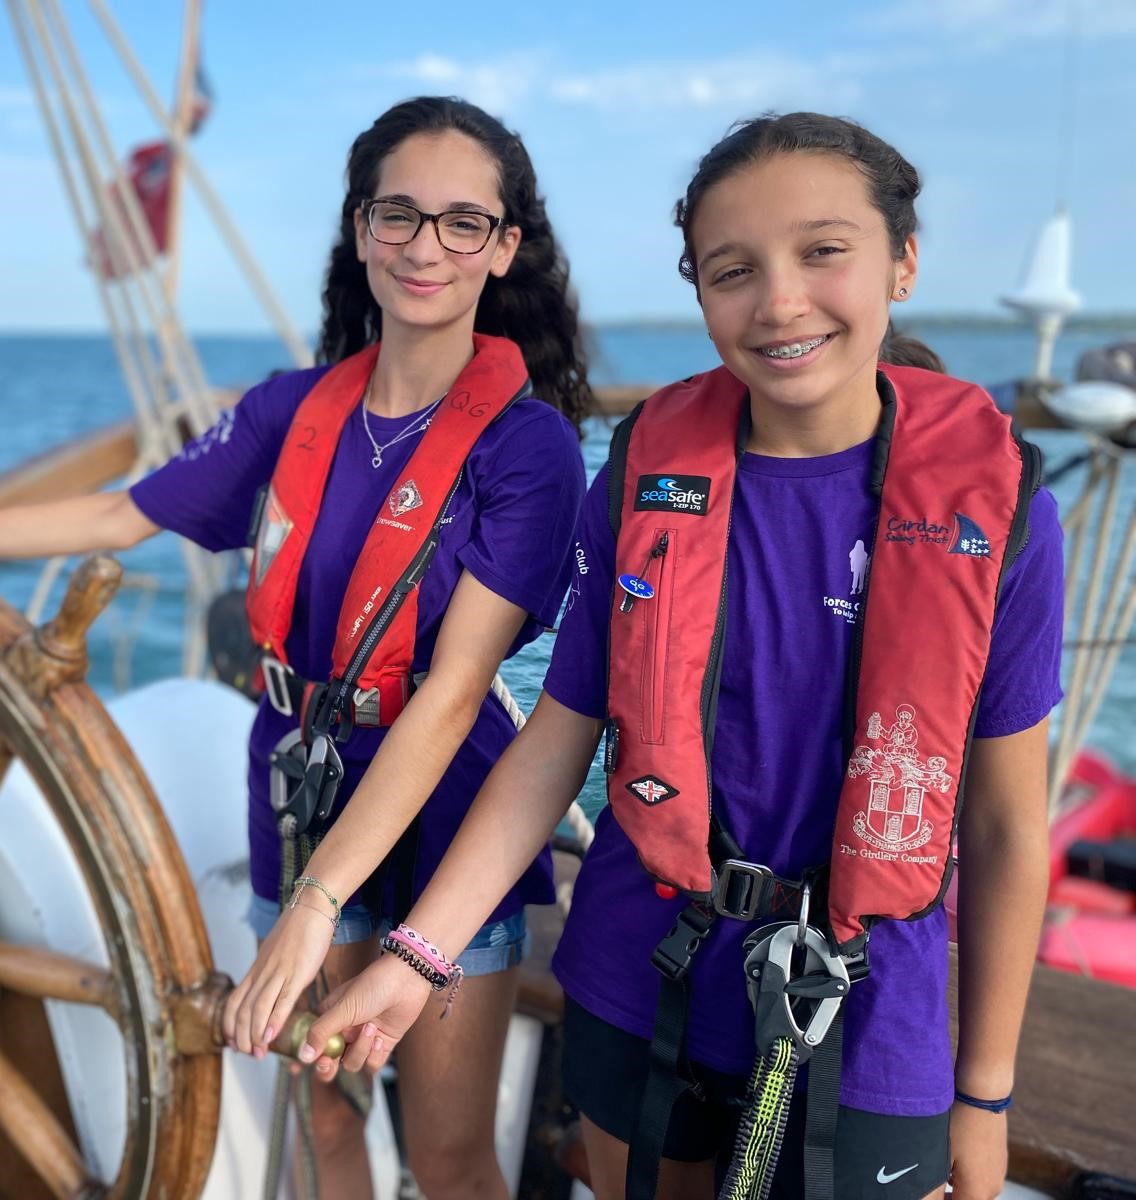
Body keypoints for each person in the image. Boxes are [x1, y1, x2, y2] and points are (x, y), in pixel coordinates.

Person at [0, 95, 589, 1199]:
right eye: (399, 215)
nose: (424, 247)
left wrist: (312, 912)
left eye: (462, 222)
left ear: (501, 249)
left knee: (451, 1153)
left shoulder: (528, 445)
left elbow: (454, 692)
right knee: (321, 1107)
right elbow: (122, 516)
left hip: (444, 805)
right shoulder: (287, 410)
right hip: (293, 779)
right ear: (360, 230)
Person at [302, 112, 1063, 1200]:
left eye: (822, 251)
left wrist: (983, 1096)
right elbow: (556, 740)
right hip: (642, 972)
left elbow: (1000, 824)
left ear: (901, 260)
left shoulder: (1006, 513)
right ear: (698, 291)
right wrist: (417, 957)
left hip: (874, 1012)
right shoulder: (645, 477)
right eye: (732, 269)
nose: (779, 300)